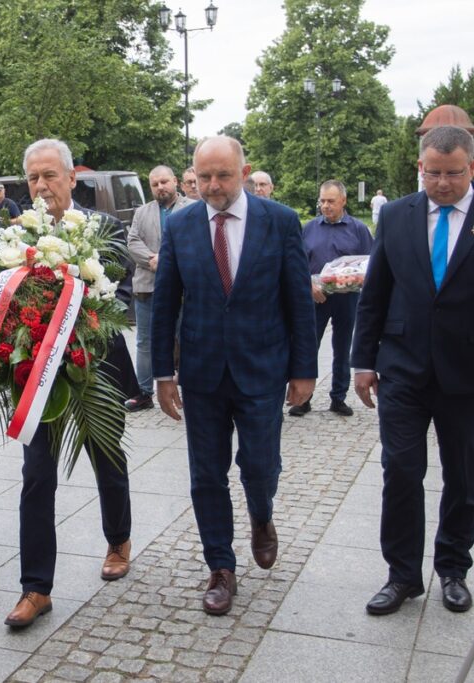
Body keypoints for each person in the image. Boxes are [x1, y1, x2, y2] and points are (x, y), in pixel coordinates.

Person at [351, 125, 474, 616]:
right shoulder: (395, 216)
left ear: (472, 168)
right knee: (401, 472)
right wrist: (363, 361)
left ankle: (453, 567)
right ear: (420, 167)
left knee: (462, 475)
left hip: (470, 376)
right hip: (403, 370)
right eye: (432, 173)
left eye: (452, 173)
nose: (441, 183)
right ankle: (402, 576)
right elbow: (375, 295)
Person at [152, 136, 317, 616]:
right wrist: (163, 373)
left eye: (223, 175)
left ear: (244, 173)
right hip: (202, 374)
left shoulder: (280, 221)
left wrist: (304, 371)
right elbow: (165, 306)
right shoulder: (180, 224)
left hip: (263, 368)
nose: (213, 185)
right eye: (203, 177)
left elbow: (298, 302)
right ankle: (220, 567)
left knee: (260, 466)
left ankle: (262, 517)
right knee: (207, 474)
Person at [4, 138, 140, 629]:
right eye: (33, 178)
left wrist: (83, 320)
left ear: (71, 178)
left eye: (50, 176)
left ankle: (118, 539)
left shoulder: (104, 227)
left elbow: (120, 294)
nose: (42, 186)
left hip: (95, 363)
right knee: (36, 474)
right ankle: (35, 588)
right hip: (36, 374)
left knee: (106, 455)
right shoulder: (17, 236)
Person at [292, 180, 374, 419]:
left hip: (347, 298)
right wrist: (309, 284)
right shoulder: (309, 228)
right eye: (322, 201)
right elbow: (297, 263)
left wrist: (354, 280)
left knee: (342, 347)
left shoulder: (358, 229)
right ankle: (303, 399)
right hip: (316, 298)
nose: (325, 206)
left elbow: (369, 263)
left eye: (331, 201)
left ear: (343, 201)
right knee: (308, 346)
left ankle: (338, 397)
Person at [125, 165, 194, 413]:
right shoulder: (142, 213)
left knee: (187, 340)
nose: (160, 187)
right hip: (148, 286)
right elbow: (132, 241)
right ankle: (144, 393)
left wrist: (166, 260)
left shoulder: (193, 209)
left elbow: (196, 241)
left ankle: (189, 390)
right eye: (155, 184)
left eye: (164, 182)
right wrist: (152, 260)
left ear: (175, 181)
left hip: (185, 288)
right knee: (145, 341)